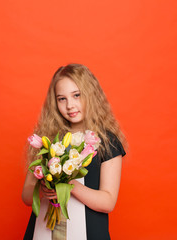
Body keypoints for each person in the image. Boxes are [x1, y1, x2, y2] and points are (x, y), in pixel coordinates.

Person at [22, 64, 127, 240]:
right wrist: (43, 189)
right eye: (61, 99)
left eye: (77, 95)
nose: (70, 105)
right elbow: (26, 196)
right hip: (42, 232)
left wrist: (69, 186)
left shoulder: (108, 142)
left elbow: (108, 202)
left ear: (91, 95)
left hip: (89, 233)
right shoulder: (48, 139)